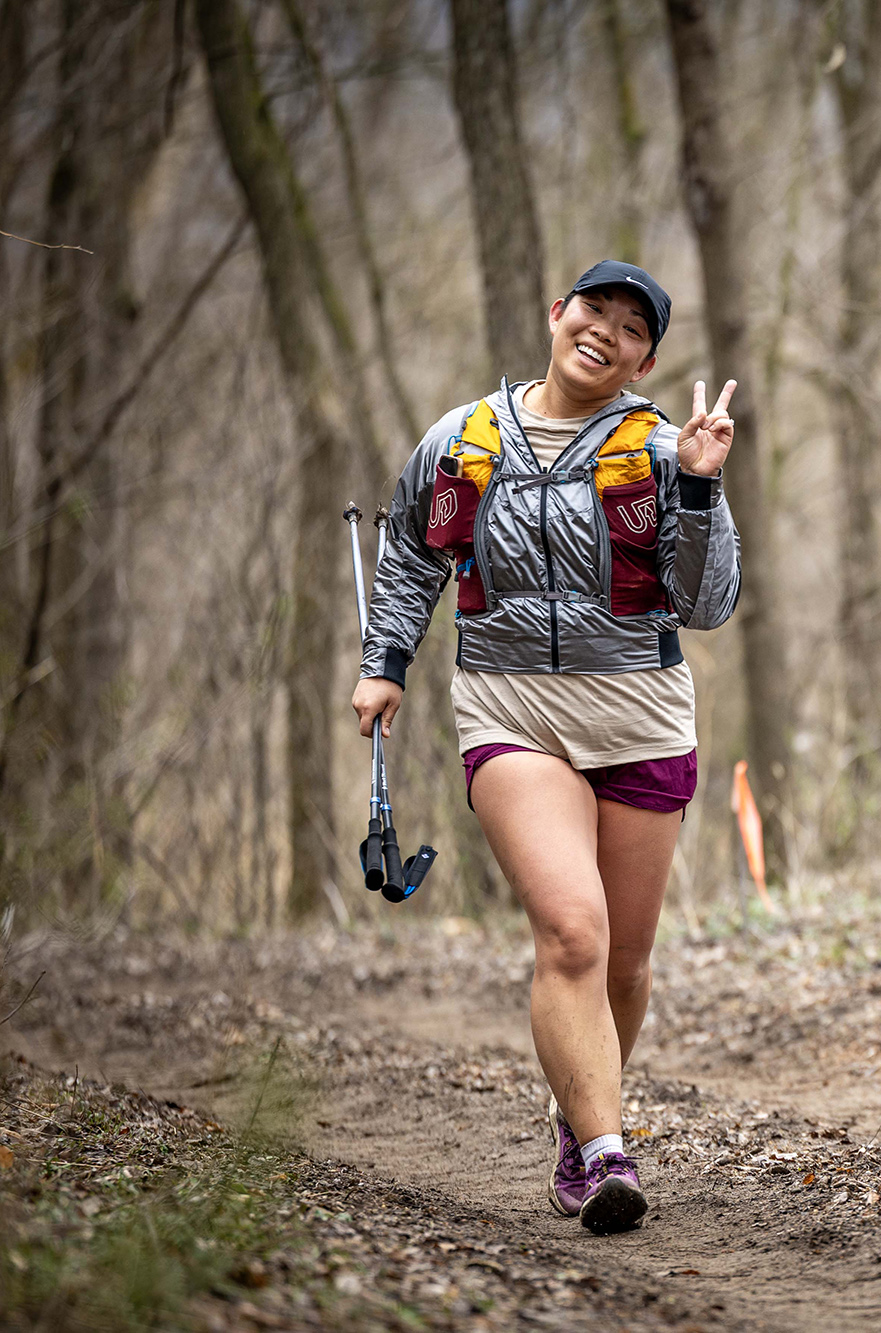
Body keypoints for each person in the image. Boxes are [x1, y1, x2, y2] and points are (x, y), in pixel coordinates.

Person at [350, 260, 741, 1235]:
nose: (605, 331)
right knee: (572, 932)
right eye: (592, 311)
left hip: (640, 712)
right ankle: (607, 1152)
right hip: (510, 706)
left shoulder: (663, 449)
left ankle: (577, 1117)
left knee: (625, 964)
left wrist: (699, 486)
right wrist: (385, 662)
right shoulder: (463, 439)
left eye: (631, 328)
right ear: (556, 315)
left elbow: (705, 604)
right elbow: (410, 555)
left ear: (646, 360)